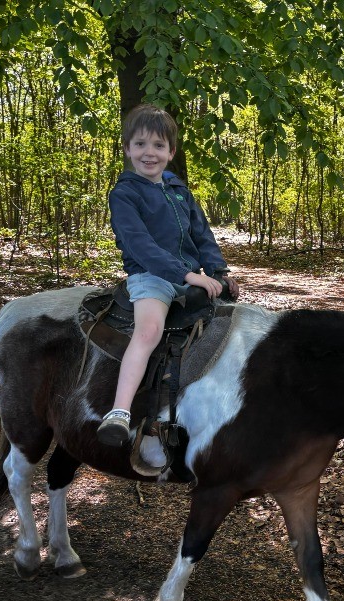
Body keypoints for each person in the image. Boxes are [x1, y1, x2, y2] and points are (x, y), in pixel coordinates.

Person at [97, 104, 238, 454]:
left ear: (171, 152)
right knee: (149, 331)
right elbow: (139, 244)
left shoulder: (179, 190)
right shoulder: (124, 194)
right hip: (152, 277)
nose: (150, 153)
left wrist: (218, 271)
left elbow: (201, 234)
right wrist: (186, 274)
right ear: (127, 148)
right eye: (140, 144)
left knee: (230, 327)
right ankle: (119, 410)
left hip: (188, 276)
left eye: (159, 145)